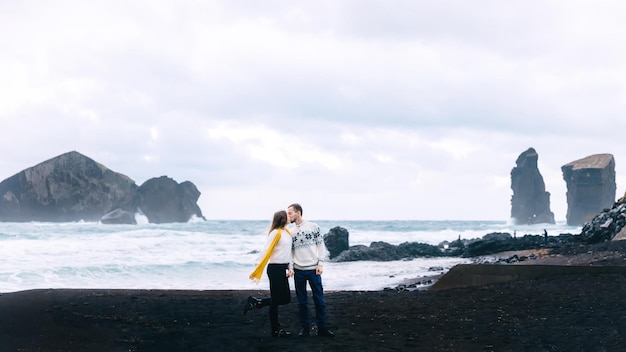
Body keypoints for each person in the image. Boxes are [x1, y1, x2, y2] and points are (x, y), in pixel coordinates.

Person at [287, 203, 334, 337]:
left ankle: (322, 328)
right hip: (298, 270)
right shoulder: (290, 232)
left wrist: (321, 263)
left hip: (314, 269)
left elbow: (320, 245)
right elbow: (290, 252)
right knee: (302, 302)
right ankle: (305, 329)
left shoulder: (313, 227)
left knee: (319, 300)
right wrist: (290, 268)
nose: (288, 215)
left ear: (298, 212)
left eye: (290, 212)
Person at [244, 210, 294, 338]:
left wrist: (290, 267)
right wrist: (257, 264)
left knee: (285, 299)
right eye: (287, 215)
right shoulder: (275, 233)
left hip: (282, 269)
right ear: (282, 218)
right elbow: (266, 249)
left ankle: (257, 303)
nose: (290, 216)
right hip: (274, 269)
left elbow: (288, 253)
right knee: (276, 301)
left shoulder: (287, 233)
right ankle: (275, 330)